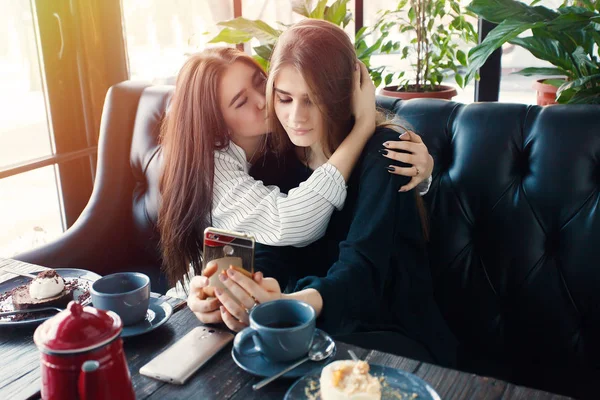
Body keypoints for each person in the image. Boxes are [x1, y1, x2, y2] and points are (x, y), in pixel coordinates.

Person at [187, 20, 457, 366]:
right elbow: (272, 252)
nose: (295, 117)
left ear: (343, 96)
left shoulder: (385, 151)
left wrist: (288, 304)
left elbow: (363, 275)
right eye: (284, 98)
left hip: (386, 329)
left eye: (312, 101)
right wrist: (234, 295)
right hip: (309, 325)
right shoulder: (277, 154)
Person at [159, 47, 434, 289]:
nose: (262, 100)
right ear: (216, 124)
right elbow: (290, 225)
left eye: (262, 82)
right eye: (241, 102)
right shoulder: (217, 168)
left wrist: (423, 173)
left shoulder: (282, 138)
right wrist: (363, 128)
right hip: (201, 295)